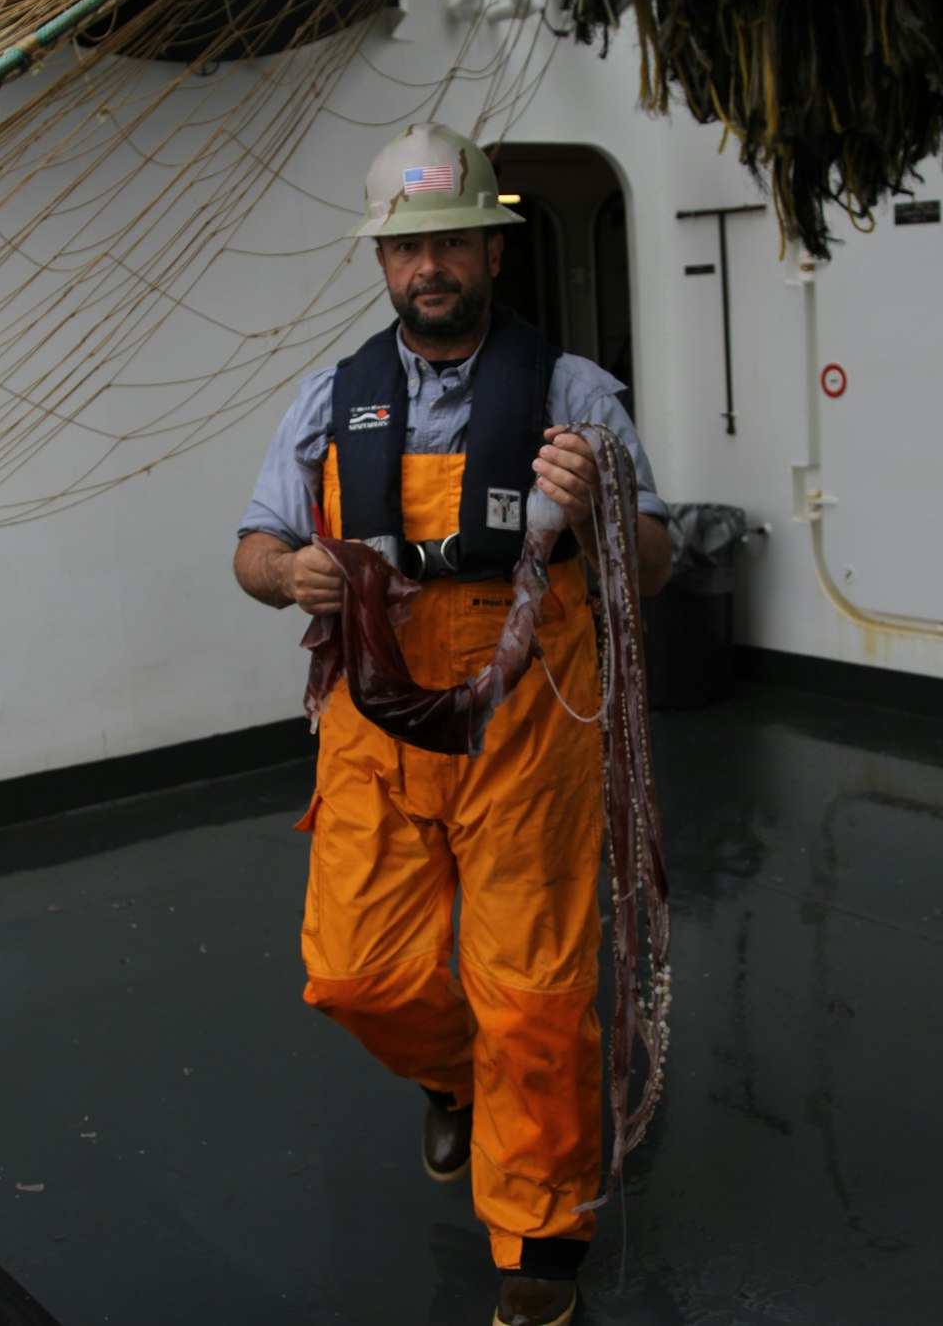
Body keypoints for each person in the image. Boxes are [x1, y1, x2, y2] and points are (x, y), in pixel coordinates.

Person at [234, 123, 671, 1326]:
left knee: (530, 989)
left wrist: (599, 510)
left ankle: (537, 1241)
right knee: (354, 973)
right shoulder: (328, 401)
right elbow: (254, 548)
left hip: (528, 726)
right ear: (384, 265)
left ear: (491, 243)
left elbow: (657, 563)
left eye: (452, 243)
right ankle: (449, 1072)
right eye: (406, 248)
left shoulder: (575, 397)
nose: (430, 267)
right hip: (375, 725)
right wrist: (287, 578)